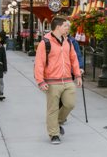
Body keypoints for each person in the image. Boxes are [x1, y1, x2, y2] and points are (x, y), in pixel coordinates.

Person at [34, 17, 82, 145]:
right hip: (52, 81)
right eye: (65, 26)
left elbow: (74, 59)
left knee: (70, 104)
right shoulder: (45, 43)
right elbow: (39, 63)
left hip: (67, 80)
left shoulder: (69, 42)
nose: (68, 28)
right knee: (53, 109)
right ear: (58, 27)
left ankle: (57, 123)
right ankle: (54, 134)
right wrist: (40, 81)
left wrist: (77, 75)